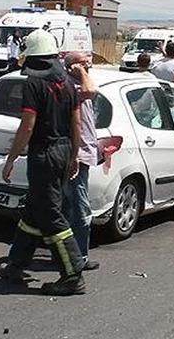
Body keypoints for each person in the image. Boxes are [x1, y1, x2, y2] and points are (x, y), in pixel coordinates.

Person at [0, 29, 86, 296]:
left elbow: (27, 126)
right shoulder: (68, 84)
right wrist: (74, 155)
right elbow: (76, 123)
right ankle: (16, 264)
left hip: (44, 154)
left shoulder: (34, 85)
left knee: (50, 216)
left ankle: (72, 275)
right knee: (35, 211)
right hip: (62, 150)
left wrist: (11, 159)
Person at [63, 51, 101, 272]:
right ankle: (79, 259)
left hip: (83, 152)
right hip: (76, 155)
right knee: (80, 210)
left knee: (69, 207)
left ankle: (74, 255)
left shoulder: (77, 83)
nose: (89, 69)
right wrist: (79, 71)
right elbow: (90, 91)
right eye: (85, 66)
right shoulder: (73, 86)